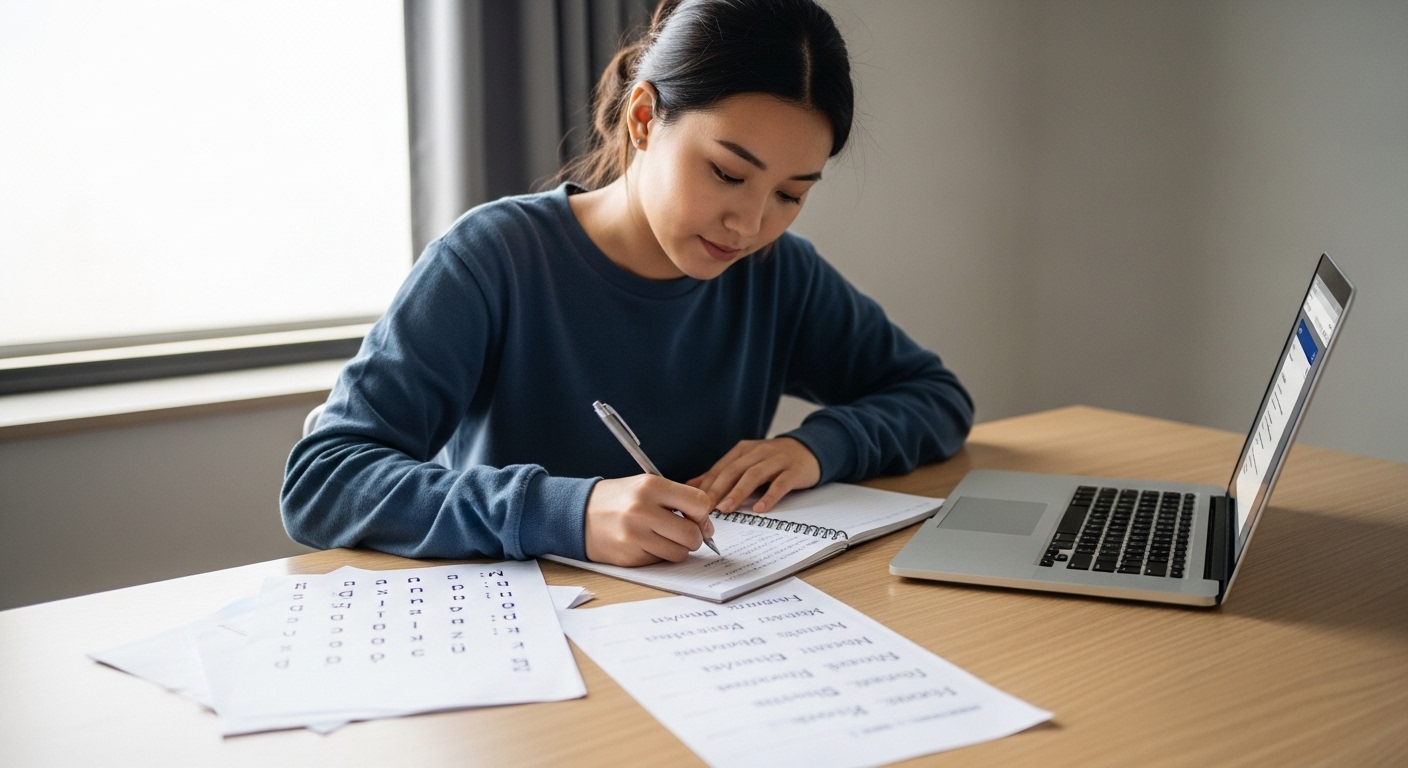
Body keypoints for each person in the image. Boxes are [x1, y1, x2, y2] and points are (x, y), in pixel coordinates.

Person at [281, 0, 973, 568]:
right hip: (532, 648)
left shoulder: (777, 272)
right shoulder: (493, 260)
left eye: (791, 194)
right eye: (727, 174)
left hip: (711, 632)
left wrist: (815, 449)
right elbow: (323, 481)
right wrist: (568, 513)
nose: (750, 224)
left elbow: (936, 397)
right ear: (645, 118)